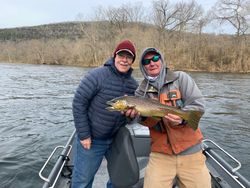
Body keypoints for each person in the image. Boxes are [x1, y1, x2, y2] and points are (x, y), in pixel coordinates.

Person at [125, 47, 211, 188]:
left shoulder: (180, 78)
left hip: (191, 152)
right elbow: (144, 122)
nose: (151, 63)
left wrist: (183, 118)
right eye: (147, 61)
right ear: (143, 67)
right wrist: (136, 116)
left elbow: (198, 105)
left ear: (162, 60)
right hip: (160, 154)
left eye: (155, 59)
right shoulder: (141, 91)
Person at [71, 40, 138, 188]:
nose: (124, 60)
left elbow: (133, 114)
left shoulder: (133, 85)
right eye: (121, 55)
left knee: (119, 178)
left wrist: (132, 115)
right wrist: (84, 135)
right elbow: (78, 103)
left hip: (116, 140)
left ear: (132, 61)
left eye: (129, 57)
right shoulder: (96, 75)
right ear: (115, 56)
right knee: (82, 181)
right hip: (93, 139)